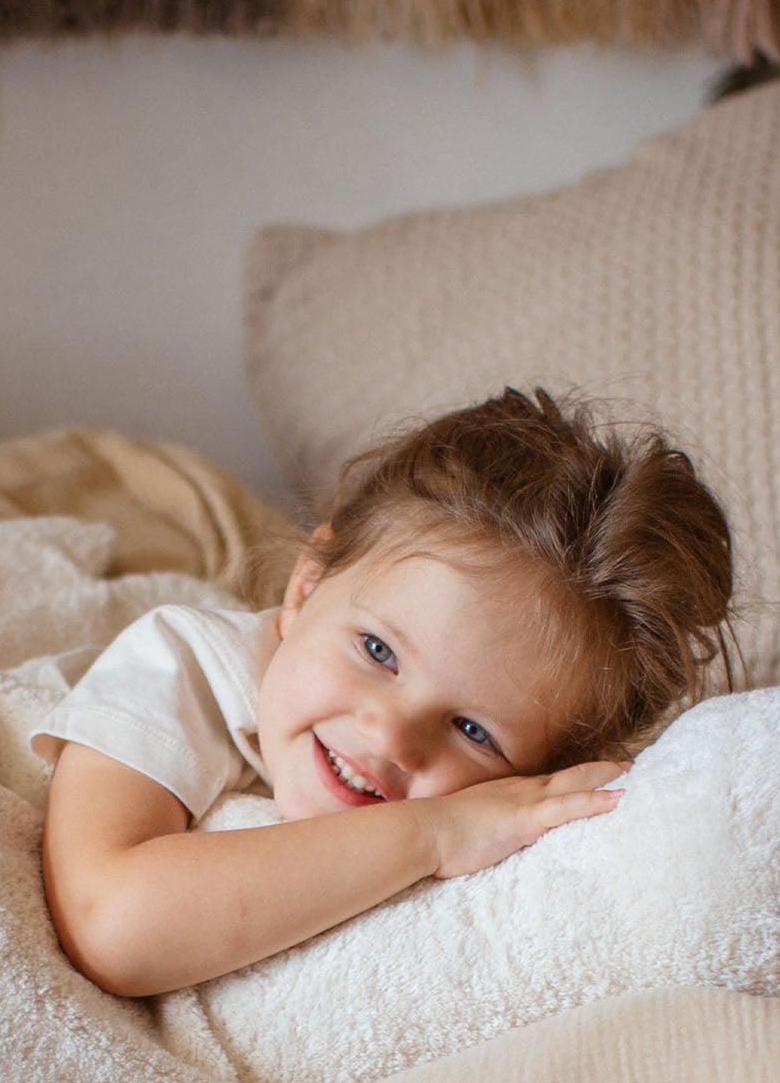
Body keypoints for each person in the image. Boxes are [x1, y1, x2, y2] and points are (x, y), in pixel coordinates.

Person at [37, 386, 733, 997]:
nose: (391, 736)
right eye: (378, 651)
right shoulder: (181, 665)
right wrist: (432, 833)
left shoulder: (499, 834)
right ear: (307, 586)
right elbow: (112, 926)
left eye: (473, 731)